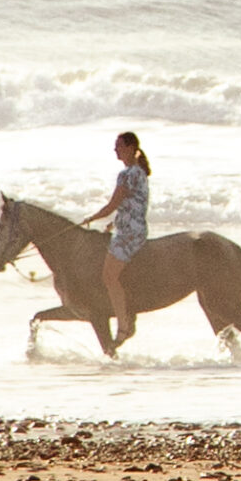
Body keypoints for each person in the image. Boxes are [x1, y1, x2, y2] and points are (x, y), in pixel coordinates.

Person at [79, 130, 151, 343]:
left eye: (119, 146)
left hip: (129, 233)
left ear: (130, 148)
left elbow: (113, 205)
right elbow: (132, 204)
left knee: (109, 277)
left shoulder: (127, 174)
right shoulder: (139, 172)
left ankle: (123, 324)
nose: (115, 150)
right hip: (134, 228)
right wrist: (112, 223)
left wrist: (91, 218)